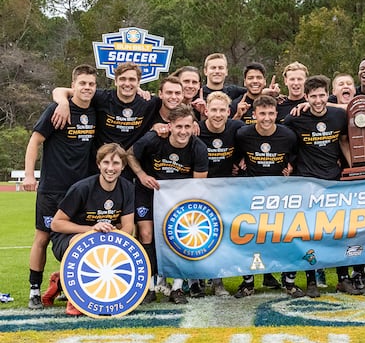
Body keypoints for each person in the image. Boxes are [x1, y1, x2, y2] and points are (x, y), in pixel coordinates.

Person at [24, 64, 97, 310]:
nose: (87, 88)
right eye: (82, 83)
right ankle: (34, 289)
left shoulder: (96, 109)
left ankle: (68, 284)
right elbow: (35, 141)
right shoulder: (57, 109)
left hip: (81, 191)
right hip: (53, 188)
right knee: (43, 238)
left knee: (80, 237)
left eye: (91, 84)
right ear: (73, 85)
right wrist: (28, 176)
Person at [126, 104, 209, 305]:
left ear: (193, 126)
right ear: (169, 125)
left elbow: (198, 183)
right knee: (146, 234)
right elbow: (129, 154)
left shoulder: (198, 148)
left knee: (181, 235)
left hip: (180, 198)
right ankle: (149, 285)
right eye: (179, 126)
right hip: (148, 193)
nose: (183, 131)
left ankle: (177, 288)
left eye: (187, 127)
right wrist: (142, 175)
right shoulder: (154, 139)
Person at [283, 75, 351, 298]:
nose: (318, 100)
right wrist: (288, 164)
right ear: (306, 97)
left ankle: (343, 279)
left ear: (327, 95)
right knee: (310, 234)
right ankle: (311, 280)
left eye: (322, 95)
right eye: (313, 96)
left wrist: (351, 167)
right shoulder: (295, 118)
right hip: (307, 182)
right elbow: (282, 139)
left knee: (338, 232)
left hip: (334, 180)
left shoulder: (338, 115)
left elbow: (343, 140)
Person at [49, 143, 135, 315]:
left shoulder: (127, 188)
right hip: (69, 239)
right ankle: (75, 298)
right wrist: (90, 230)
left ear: (123, 166)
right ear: (99, 165)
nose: (111, 168)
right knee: (84, 242)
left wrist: (115, 243)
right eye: (106, 163)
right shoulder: (82, 188)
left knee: (125, 245)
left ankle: (61, 280)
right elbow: (56, 224)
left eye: (116, 163)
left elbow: (128, 227)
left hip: (103, 240)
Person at [234, 95, 299, 296]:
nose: (266, 118)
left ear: (276, 114)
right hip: (250, 194)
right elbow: (234, 153)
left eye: (271, 113)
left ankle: (289, 282)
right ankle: (248, 283)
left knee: (286, 238)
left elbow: (297, 155)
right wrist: (239, 160)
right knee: (249, 239)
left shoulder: (288, 135)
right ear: (254, 115)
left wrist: (292, 165)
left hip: (280, 194)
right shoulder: (243, 134)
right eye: (262, 113)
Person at [196, 91, 246, 297]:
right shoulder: (195, 129)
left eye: (222, 110)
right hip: (200, 189)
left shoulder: (237, 127)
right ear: (206, 111)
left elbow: (254, 137)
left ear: (229, 112)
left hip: (226, 190)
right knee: (200, 235)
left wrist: (242, 159)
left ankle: (218, 281)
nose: (217, 115)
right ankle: (196, 280)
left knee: (220, 237)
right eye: (213, 110)